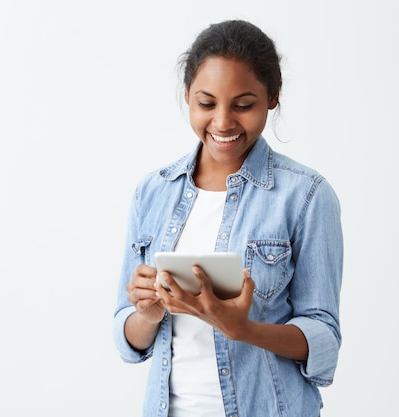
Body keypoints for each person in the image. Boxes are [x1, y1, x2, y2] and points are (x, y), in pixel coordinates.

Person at [113, 19, 343, 417]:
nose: (222, 123)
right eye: (206, 103)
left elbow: (324, 337)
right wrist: (146, 316)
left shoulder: (305, 195)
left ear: (272, 98)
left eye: (243, 105)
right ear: (187, 95)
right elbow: (127, 339)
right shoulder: (152, 192)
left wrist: (243, 328)